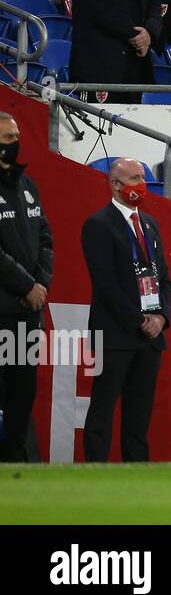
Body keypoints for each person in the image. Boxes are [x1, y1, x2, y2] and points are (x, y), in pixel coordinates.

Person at [83, 158, 171, 463]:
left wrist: (161, 317)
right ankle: (95, 476)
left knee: (138, 416)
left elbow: (164, 279)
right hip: (116, 335)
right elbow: (105, 283)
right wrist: (139, 320)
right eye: (134, 179)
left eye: (142, 178)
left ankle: (137, 477)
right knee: (103, 410)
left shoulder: (150, 224)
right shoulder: (98, 224)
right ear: (115, 184)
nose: (141, 184)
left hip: (149, 338)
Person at [0, 112, 53, 462]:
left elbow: (46, 239)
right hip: (2, 311)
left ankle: (15, 468)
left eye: (15, 136)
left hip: (28, 315)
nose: (14, 143)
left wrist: (40, 285)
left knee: (24, 395)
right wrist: (26, 285)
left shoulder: (27, 185)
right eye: (7, 138)